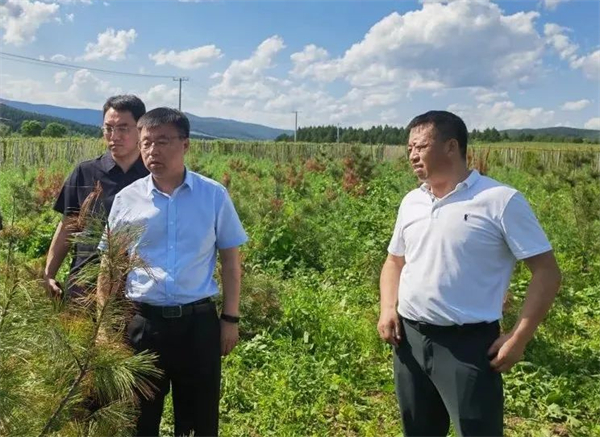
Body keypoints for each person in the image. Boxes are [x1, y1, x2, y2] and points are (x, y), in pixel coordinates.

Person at [378, 110, 561, 437]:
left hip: (468, 347)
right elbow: (394, 262)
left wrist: (519, 337)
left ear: (451, 146)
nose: (412, 155)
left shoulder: (499, 201)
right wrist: (388, 308)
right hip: (409, 340)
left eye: (420, 146)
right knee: (418, 430)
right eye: (409, 148)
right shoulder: (412, 201)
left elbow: (546, 272)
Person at [98, 107, 247, 436]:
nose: (153, 151)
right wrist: (105, 326)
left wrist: (230, 319)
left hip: (198, 326)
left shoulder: (213, 196)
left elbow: (231, 262)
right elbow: (110, 265)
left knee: (198, 421)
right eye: (146, 143)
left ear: (186, 144)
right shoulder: (127, 200)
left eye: (163, 141)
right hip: (144, 325)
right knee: (139, 421)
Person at [44, 95, 148, 299]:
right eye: (108, 128)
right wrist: (49, 273)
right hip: (84, 285)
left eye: (123, 128)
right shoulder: (86, 172)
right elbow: (67, 225)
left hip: (138, 289)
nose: (114, 136)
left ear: (140, 129)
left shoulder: (153, 176)